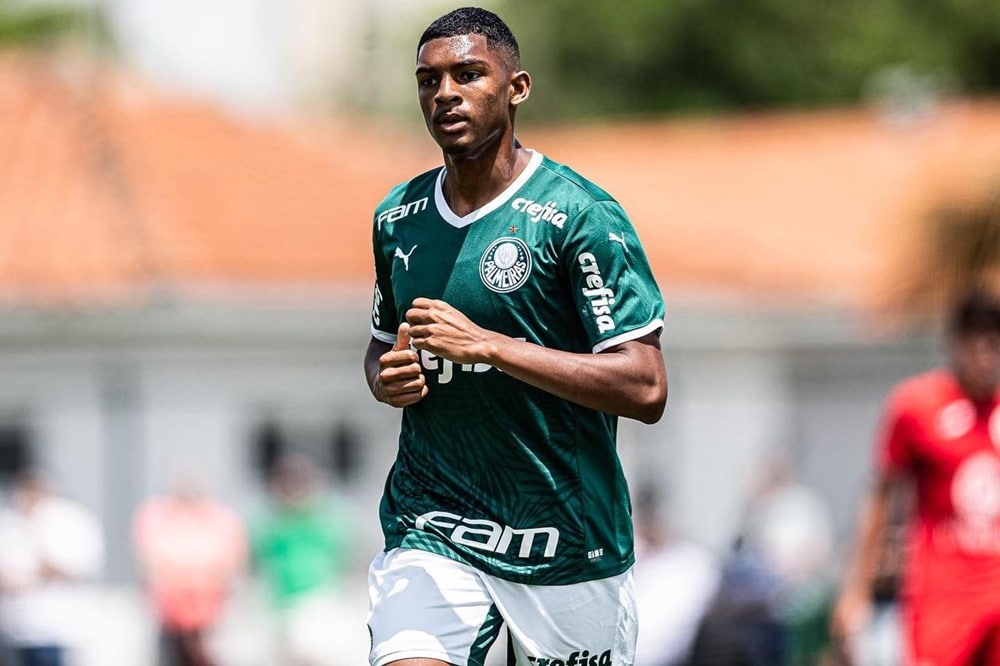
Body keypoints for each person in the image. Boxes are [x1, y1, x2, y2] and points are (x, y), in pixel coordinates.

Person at [363, 7, 668, 666]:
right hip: (433, 525)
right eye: (428, 80)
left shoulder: (578, 215)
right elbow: (384, 342)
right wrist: (385, 378)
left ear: (517, 87)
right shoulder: (398, 217)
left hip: (565, 545)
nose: (445, 93)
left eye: (468, 74)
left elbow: (645, 385)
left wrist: (492, 348)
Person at [831, 287, 1000, 666]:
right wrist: (856, 589)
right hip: (945, 597)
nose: (987, 351)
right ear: (956, 342)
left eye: (995, 338)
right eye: (977, 338)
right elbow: (881, 496)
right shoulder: (917, 406)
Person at [251, 453, 358, 666]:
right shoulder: (273, 520)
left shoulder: (325, 516)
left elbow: (343, 553)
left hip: (317, 599)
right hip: (282, 602)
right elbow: (259, 556)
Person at [132, 474, 247, 666]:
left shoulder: (219, 518)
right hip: (171, 608)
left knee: (207, 654)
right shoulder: (159, 516)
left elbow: (229, 560)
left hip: (209, 606)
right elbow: (152, 559)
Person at [0, 469, 104, 666]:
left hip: (57, 628)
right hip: (15, 628)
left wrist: (34, 533)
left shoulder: (69, 521)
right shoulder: (9, 523)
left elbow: (71, 569)